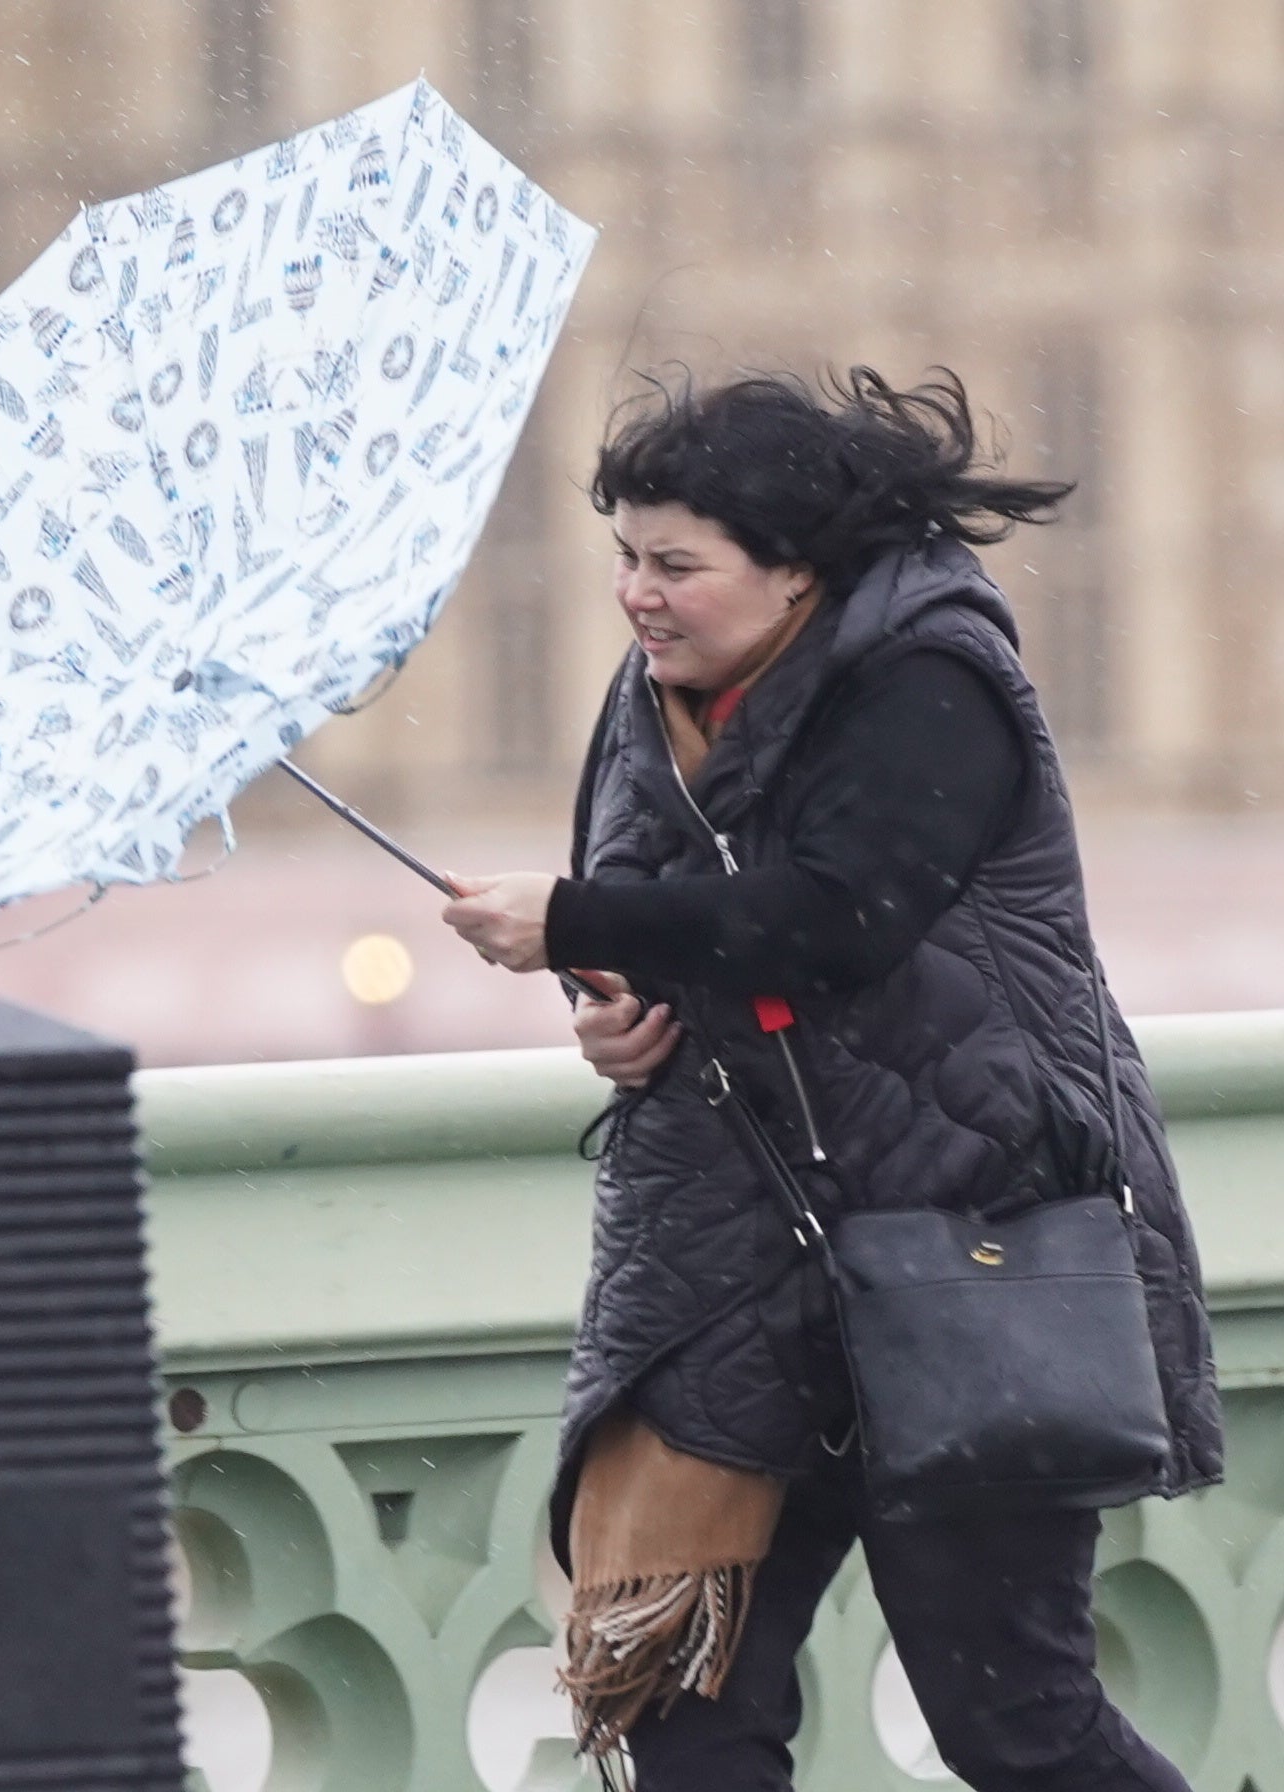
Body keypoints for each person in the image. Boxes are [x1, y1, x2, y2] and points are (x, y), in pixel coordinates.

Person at [442, 368, 1222, 1791]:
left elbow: (841, 918)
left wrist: (572, 923)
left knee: (1016, 1723)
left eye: (678, 563)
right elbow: (656, 916)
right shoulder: (652, 697)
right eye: (625, 556)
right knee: (681, 1715)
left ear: (800, 568)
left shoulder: (933, 679)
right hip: (731, 1278)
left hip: (963, 1252)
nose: (637, 594)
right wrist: (603, 1002)